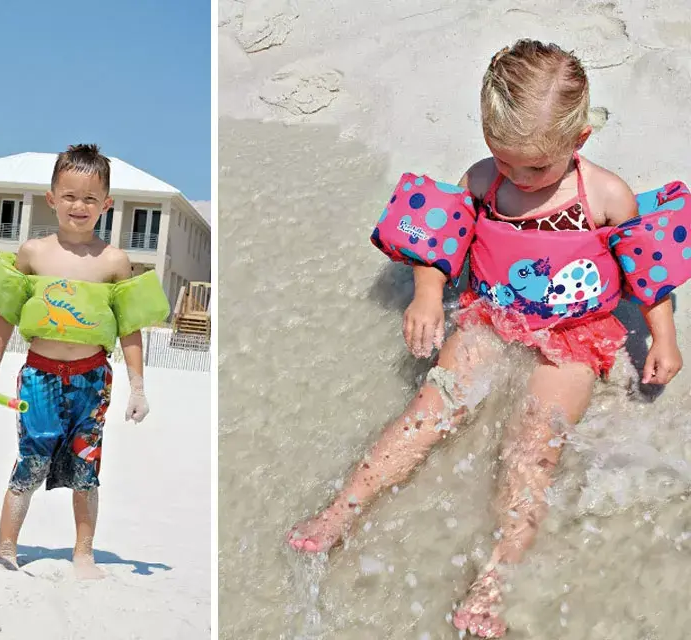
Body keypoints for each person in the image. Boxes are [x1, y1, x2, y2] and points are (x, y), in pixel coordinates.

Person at [286, 40, 686, 637]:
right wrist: (427, 296)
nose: (516, 177)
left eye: (534, 168)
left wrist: (664, 339)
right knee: (431, 406)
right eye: (503, 160)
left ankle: (496, 578)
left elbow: (648, 274)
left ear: (579, 142)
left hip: (575, 335)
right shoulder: (482, 181)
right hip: (492, 316)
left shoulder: (605, 196)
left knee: (533, 446)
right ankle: (343, 509)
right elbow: (435, 243)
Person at [0, 143, 170, 579]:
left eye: (89, 199)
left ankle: (84, 552)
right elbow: (6, 314)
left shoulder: (115, 261)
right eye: (69, 196)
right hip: (40, 374)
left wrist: (138, 387)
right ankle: (6, 548)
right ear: (51, 198)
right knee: (31, 459)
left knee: (86, 465)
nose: (78, 206)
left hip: (91, 379)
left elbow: (129, 329)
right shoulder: (32, 254)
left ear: (107, 204)